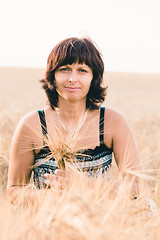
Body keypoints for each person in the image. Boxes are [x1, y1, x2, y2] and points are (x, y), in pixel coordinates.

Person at [7, 37, 141, 198]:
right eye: (64, 69)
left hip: (100, 220)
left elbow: (138, 188)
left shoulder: (112, 122)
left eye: (82, 70)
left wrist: (85, 185)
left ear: (94, 78)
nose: (72, 78)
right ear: (52, 76)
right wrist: (51, 198)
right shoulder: (31, 124)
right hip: (47, 221)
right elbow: (13, 190)